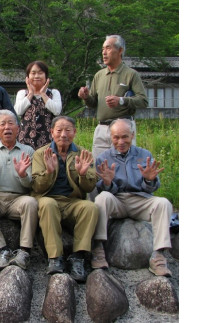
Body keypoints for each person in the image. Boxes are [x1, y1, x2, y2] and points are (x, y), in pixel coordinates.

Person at [92, 119, 172, 277]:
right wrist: (107, 182)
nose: (120, 141)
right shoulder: (103, 158)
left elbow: (152, 188)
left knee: (163, 203)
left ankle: (158, 255)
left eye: (125, 137)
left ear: (132, 135)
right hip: (118, 200)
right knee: (102, 198)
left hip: (140, 200)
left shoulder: (144, 155)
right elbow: (104, 188)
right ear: (111, 138)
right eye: (116, 137)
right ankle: (98, 248)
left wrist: (149, 180)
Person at [31, 116, 99, 282]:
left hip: (71, 201)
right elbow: (36, 187)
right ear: (51, 132)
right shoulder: (41, 153)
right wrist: (48, 171)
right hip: (48, 198)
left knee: (90, 208)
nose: (63, 134)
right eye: (59, 130)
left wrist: (83, 175)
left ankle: (78, 257)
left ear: (74, 132)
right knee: (47, 204)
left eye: (68, 130)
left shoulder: (82, 154)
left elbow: (89, 187)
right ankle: (55, 258)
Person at [0, 110, 38, 272]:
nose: (7, 127)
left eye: (11, 123)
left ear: (18, 128)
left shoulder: (28, 151)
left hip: (18, 198)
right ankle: (2, 250)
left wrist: (23, 174)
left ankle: (24, 252)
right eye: (2, 124)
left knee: (31, 203)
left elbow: (30, 184)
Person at [77, 35, 148, 159]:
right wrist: (86, 97)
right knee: (99, 166)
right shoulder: (99, 75)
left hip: (123, 126)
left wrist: (121, 101)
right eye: (103, 49)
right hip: (102, 128)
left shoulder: (131, 74)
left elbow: (143, 101)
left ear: (120, 50)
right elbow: (93, 103)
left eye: (108, 48)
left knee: (124, 165)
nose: (104, 53)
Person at [15, 60, 62, 150]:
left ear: (46, 76)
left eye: (40, 73)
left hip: (48, 139)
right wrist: (30, 94)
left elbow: (57, 111)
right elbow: (18, 111)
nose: (36, 76)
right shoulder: (22, 93)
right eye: (33, 73)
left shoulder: (54, 93)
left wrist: (43, 94)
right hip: (25, 139)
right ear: (28, 77)